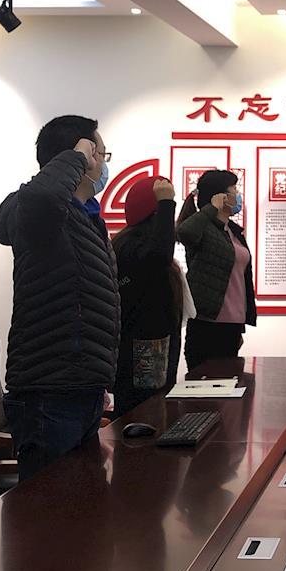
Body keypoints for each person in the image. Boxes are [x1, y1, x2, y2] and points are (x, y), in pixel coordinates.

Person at [0, 115, 118, 481]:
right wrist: (76, 155)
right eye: (101, 153)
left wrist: (99, 377)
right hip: (50, 392)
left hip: (81, 386)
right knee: (49, 507)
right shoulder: (37, 211)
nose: (105, 164)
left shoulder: (84, 217)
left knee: (82, 500)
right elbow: (44, 196)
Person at [112, 176, 191, 417]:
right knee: (143, 416)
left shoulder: (133, 245)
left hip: (153, 348)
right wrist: (166, 203)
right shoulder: (129, 248)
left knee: (155, 412)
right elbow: (158, 258)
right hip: (143, 351)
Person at [176, 170, 256, 371]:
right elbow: (185, 232)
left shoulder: (233, 231)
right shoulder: (204, 227)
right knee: (204, 386)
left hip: (232, 325)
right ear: (221, 197)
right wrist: (210, 209)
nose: (238, 195)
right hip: (207, 324)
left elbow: (238, 282)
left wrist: (240, 327)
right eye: (234, 189)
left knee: (230, 384)